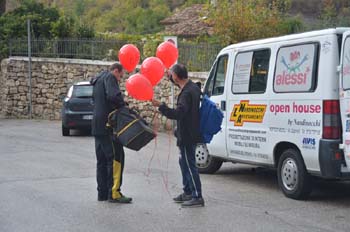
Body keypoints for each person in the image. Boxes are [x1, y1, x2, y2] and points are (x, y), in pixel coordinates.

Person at [152, 64, 204, 207]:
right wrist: (169, 76)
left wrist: (160, 106)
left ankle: (197, 195)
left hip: (187, 135)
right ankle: (188, 192)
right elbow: (177, 82)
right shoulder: (192, 87)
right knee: (184, 163)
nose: (171, 77)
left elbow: (178, 114)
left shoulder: (186, 93)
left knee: (189, 164)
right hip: (189, 133)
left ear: (176, 76)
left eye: (172, 75)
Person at [90, 63, 132, 203]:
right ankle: (114, 192)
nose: (120, 79)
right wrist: (123, 104)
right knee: (116, 157)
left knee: (101, 160)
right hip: (108, 125)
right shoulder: (110, 77)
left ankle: (102, 193)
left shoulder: (98, 79)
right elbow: (113, 96)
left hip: (96, 124)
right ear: (115, 71)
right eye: (120, 76)